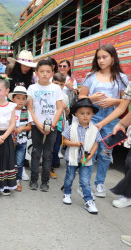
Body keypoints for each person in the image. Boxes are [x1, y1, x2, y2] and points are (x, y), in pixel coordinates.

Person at [78, 44, 128, 198]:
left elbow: (125, 102)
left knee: (106, 153)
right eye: (98, 57)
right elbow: (80, 97)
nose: (101, 60)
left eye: (104, 57)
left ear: (113, 58)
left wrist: (113, 101)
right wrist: (91, 98)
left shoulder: (122, 78)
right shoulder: (90, 76)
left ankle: (100, 183)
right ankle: (83, 184)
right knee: (88, 151)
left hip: (111, 119)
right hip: (91, 116)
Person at [27, 59, 63, 192]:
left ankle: (45, 181)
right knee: (36, 153)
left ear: (53, 73)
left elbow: (59, 108)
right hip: (37, 126)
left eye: (48, 71)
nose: (45, 74)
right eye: (41, 71)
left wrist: (52, 125)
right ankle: (34, 179)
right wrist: (37, 124)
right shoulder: (32, 88)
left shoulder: (56, 88)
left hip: (52, 127)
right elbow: (30, 108)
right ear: (36, 72)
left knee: (48, 154)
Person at [62, 98, 102, 214]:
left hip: (86, 159)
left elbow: (96, 144)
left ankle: (88, 201)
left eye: (88, 113)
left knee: (85, 181)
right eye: (82, 113)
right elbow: (65, 141)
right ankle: (67, 193)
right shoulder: (71, 127)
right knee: (70, 177)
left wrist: (90, 156)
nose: (85, 116)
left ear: (92, 114)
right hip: (73, 158)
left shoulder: (94, 129)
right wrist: (75, 143)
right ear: (76, 114)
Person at [9, 86, 32, 192]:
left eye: (23, 99)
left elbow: (29, 126)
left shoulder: (26, 111)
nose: (21, 101)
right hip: (9, 139)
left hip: (21, 140)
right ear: (13, 99)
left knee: (19, 161)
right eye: (18, 98)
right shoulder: (9, 109)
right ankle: (7, 179)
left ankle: (17, 180)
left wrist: (22, 128)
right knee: (8, 160)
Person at [51, 73, 70, 176]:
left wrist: (66, 108)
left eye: (61, 84)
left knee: (56, 146)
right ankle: (49, 164)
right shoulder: (48, 93)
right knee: (48, 146)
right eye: (56, 83)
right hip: (49, 124)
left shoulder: (65, 97)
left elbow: (67, 114)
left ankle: (54, 163)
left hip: (59, 127)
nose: (59, 86)